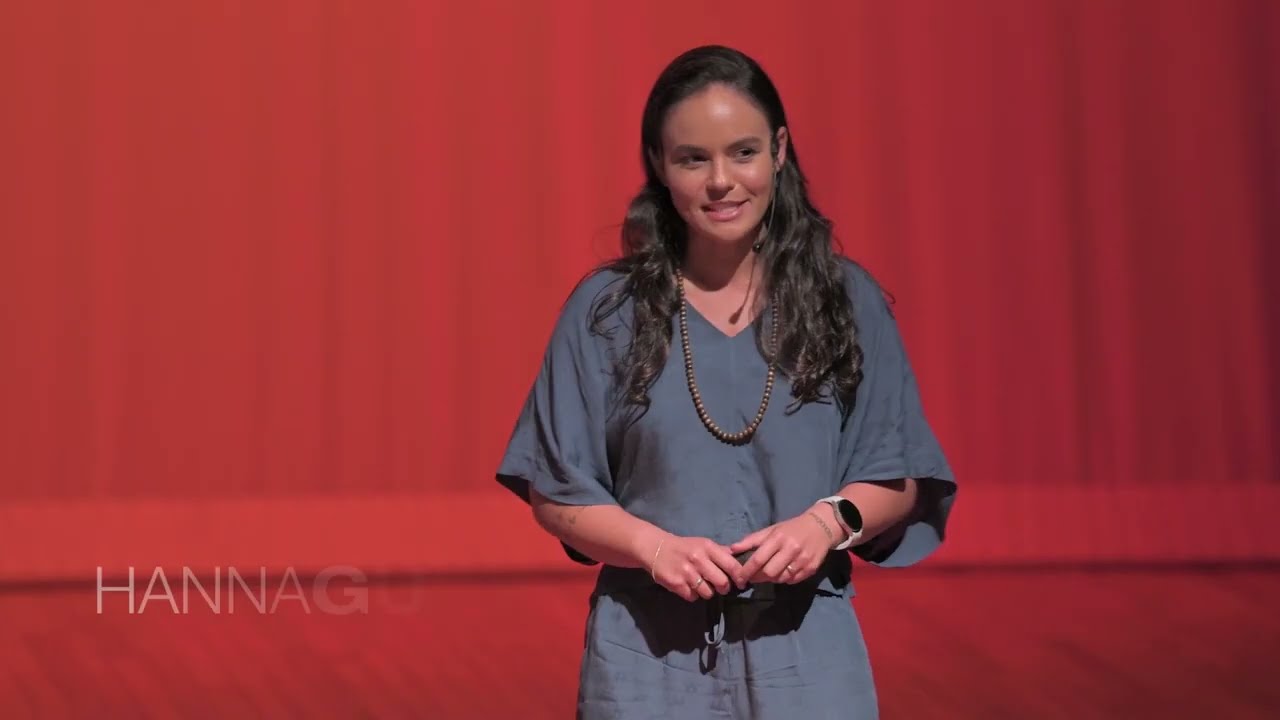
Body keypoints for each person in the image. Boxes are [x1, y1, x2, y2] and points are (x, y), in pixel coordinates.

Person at [496, 45, 956, 720]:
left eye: (743, 153)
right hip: (646, 657)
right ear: (659, 165)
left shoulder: (846, 301)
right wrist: (653, 547)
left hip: (808, 652)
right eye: (693, 159)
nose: (721, 181)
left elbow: (899, 474)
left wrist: (827, 522)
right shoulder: (607, 312)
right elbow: (556, 493)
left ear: (779, 150)